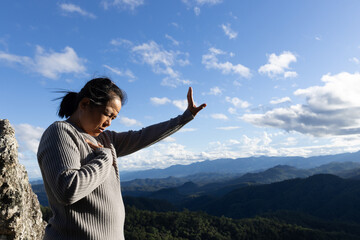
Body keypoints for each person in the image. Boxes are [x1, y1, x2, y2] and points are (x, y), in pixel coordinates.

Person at [37, 77, 206, 240]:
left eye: (113, 118)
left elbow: (143, 136)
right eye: (107, 114)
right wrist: (105, 158)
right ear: (85, 104)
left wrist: (185, 117)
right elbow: (67, 190)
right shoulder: (61, 132)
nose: (109, 123)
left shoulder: (106, 139)